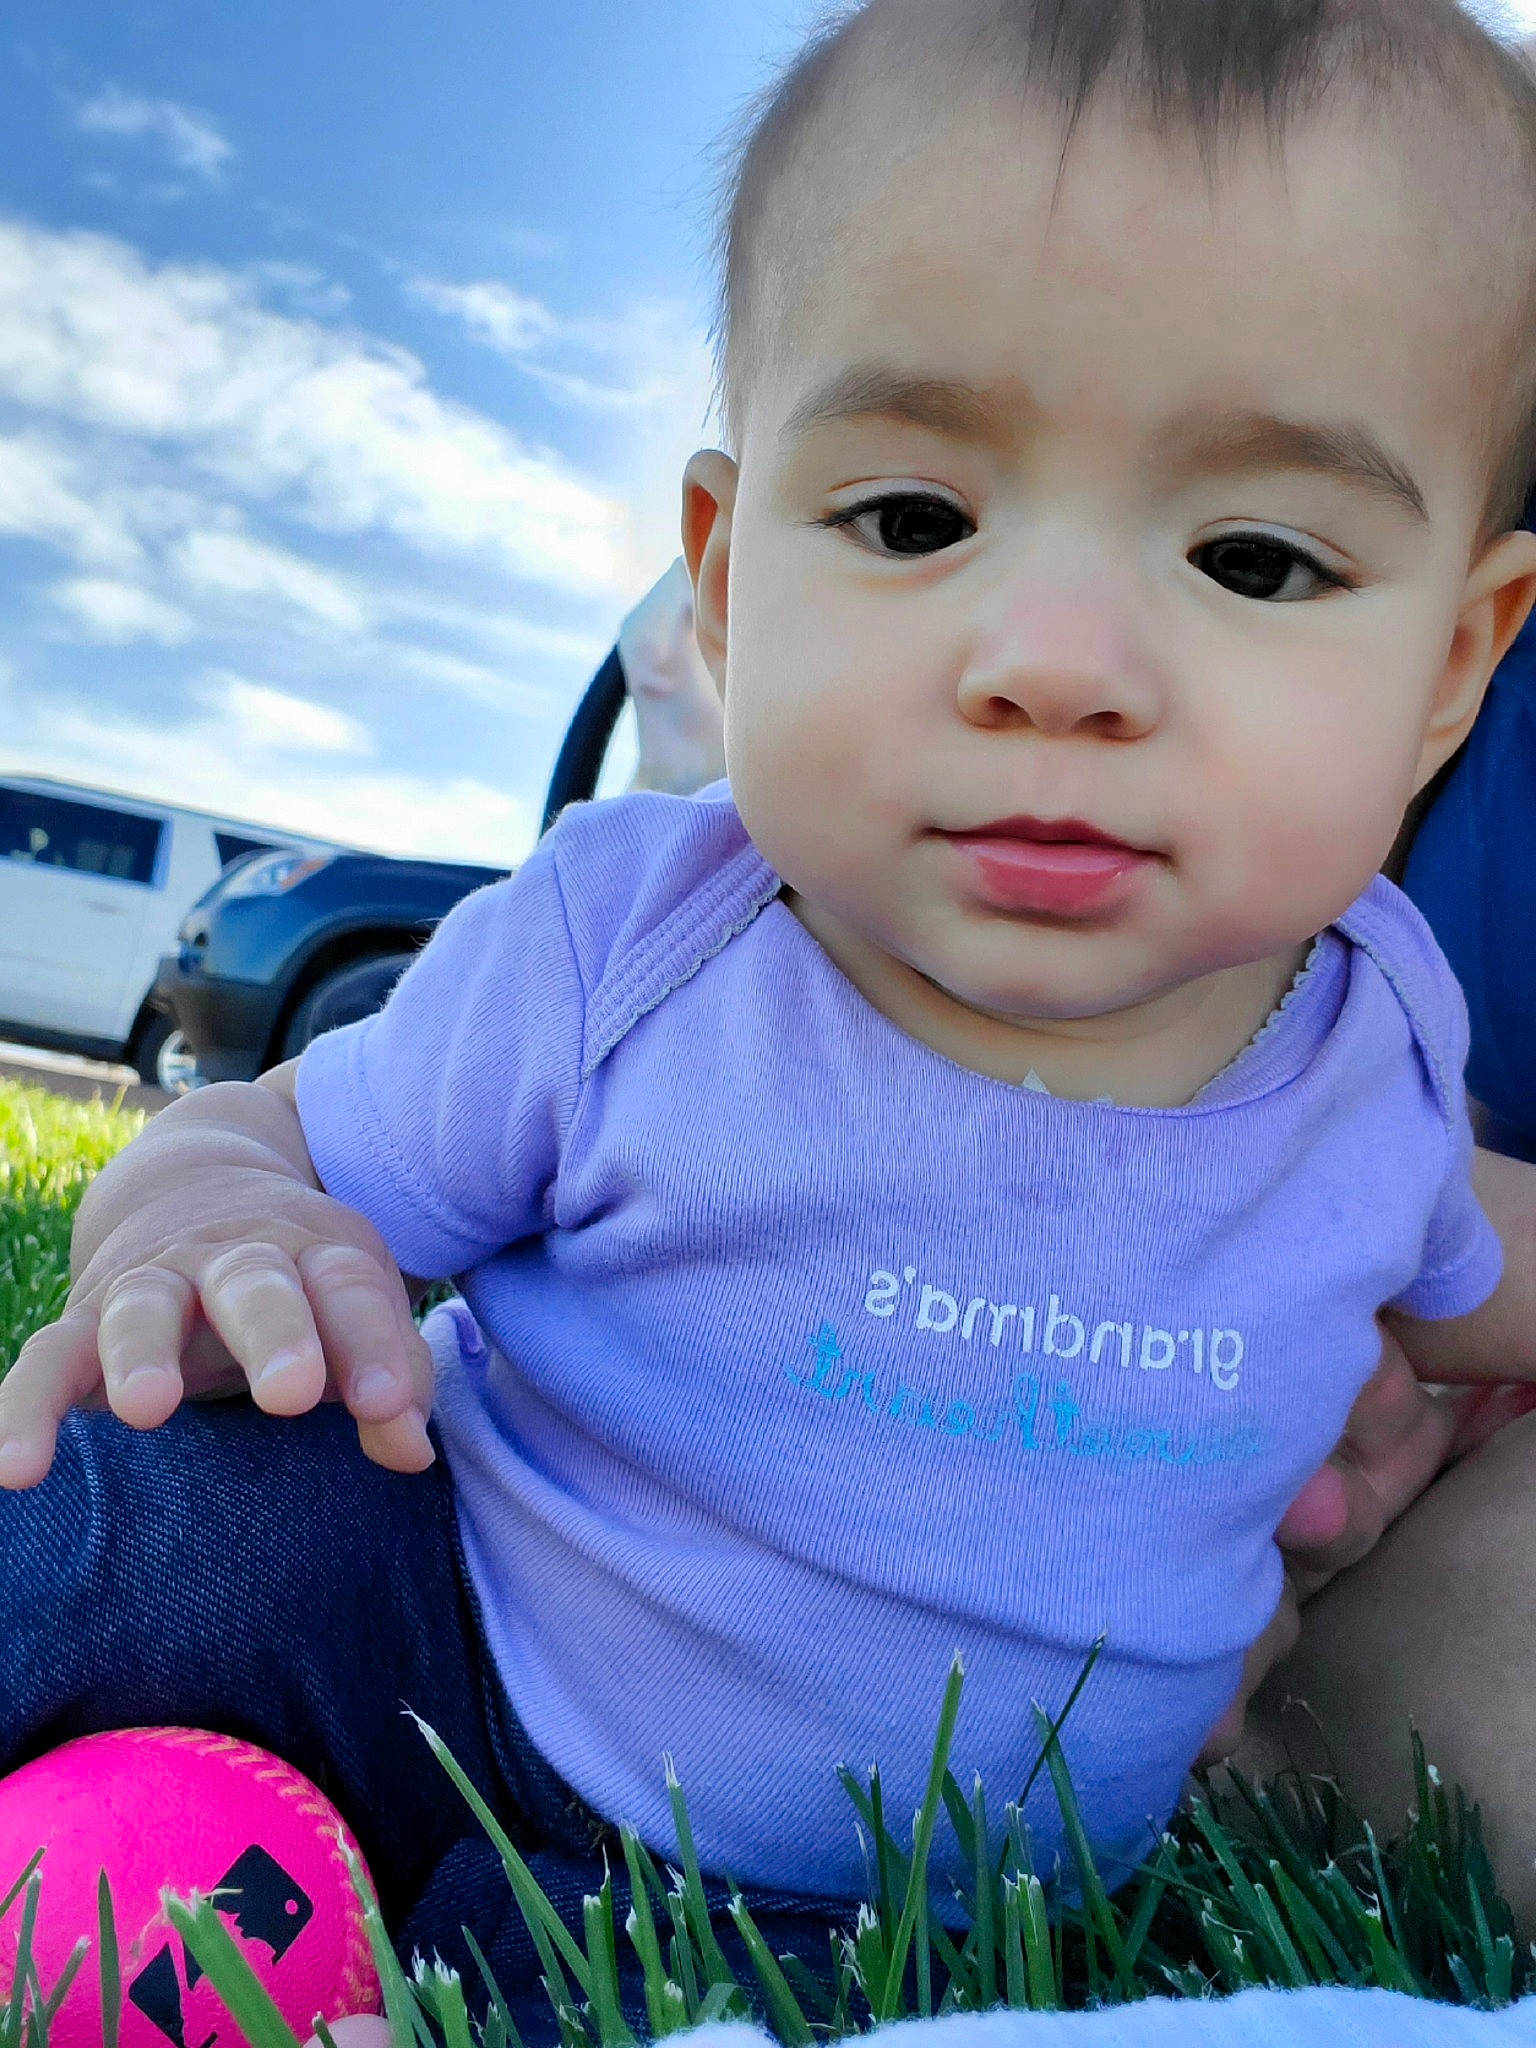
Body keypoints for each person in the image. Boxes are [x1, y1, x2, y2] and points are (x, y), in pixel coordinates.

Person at [6, 0, 1536, 2030]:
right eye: (915, 518)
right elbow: (264, 1132)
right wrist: (212, 1227)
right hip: (445, 1611)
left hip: (866, 1901)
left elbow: (1493, 1264)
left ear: (1454, 662)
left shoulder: (1381, 1063)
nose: (1054, 664)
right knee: (169, 1504)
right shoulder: (643, 940)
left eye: (1254, 555)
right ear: (725, 584)